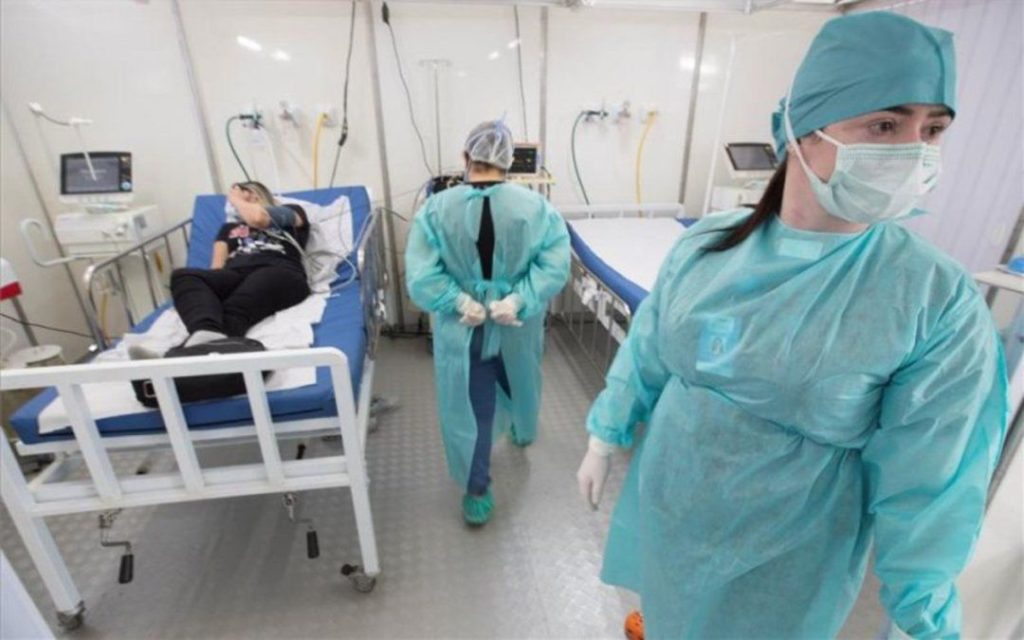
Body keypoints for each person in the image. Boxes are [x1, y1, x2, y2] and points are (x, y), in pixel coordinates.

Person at [576, 12, 1008, 639]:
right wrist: (604, 435)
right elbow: (648, 350)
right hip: (674, 516)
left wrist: (926, 614)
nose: (914, 151)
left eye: (933, 129)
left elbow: (933, 478)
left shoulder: (933, 300)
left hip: (787, 563)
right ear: (803, 128)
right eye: (885, 125)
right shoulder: (706, 246)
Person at [406, 120, 570, 526]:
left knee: (472, 405)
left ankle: (477, 490)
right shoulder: (537, 209)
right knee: (520, 377)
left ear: (466, 158)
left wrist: (459, 300)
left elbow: (422, 276)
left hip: (463, 327)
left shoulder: (435, 210)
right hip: (517, 322)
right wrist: (518, 299)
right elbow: (553, 266)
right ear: (509, 161)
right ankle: (523, 430)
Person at [168, 181, 310, 347]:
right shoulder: (228, 228)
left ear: (262, 195)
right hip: (236, 274)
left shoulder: (291, 211)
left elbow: (258, 218)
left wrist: (236, 199)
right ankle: (204, 334)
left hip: (278, 270)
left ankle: (180, 355)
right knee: (183, 276)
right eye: (241, 193)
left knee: (234, 308)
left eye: (249, 192)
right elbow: (216, 268)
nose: (246, 196)